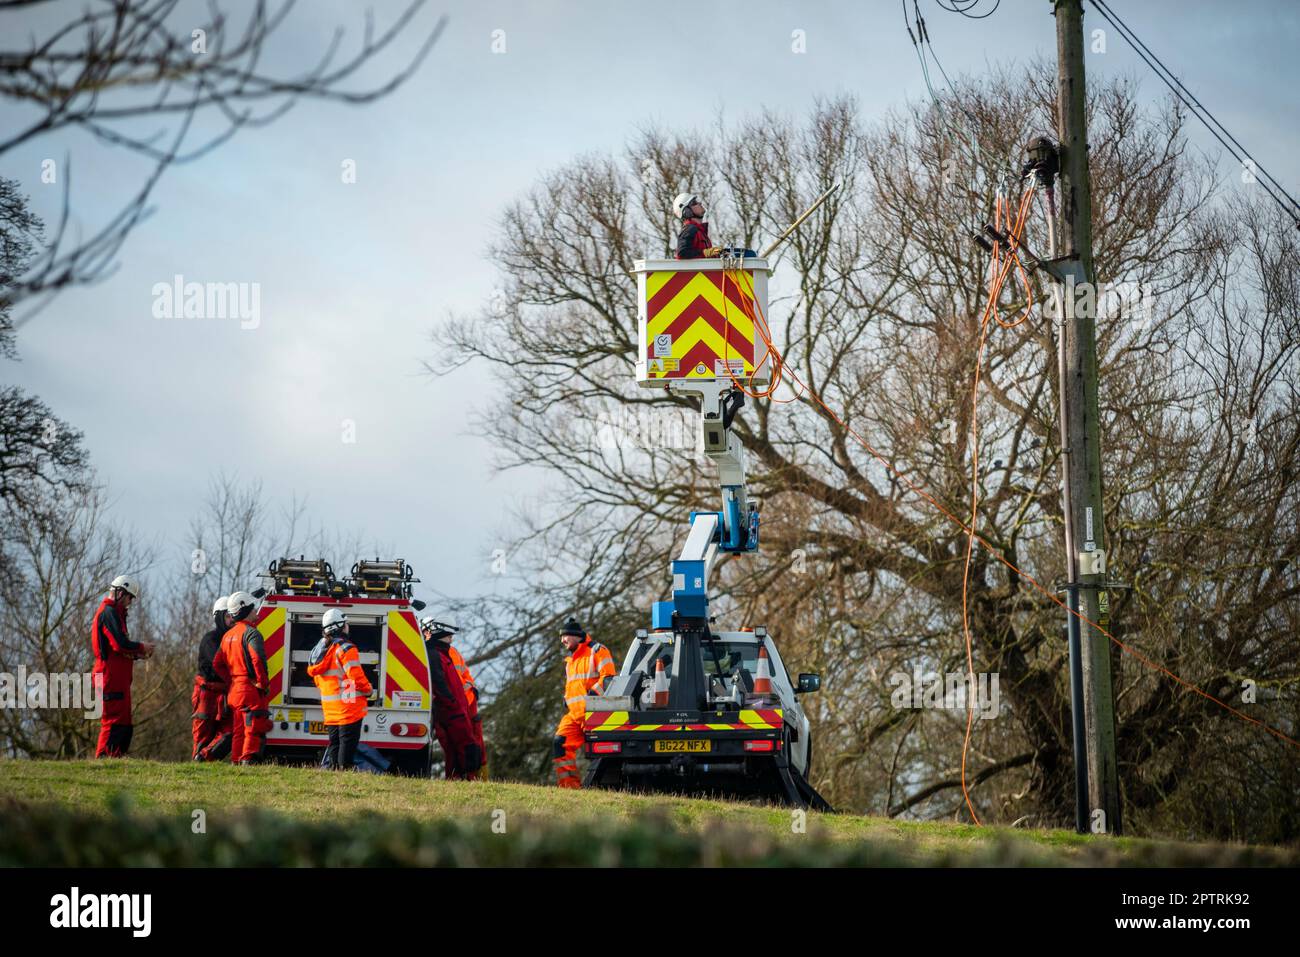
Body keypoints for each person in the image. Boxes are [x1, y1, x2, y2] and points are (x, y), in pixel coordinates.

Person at [89, 574, 155, 758]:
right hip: (109, 677)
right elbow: (119, 644)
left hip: (117, 677)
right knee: (113, 721)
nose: (129, 603)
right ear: (120, 593)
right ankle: (104, 759)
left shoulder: (115, 614)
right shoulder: (108, 613)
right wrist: (141, 646)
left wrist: (137, 655)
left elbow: (118, 649)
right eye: (129, 598)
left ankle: (114, 757)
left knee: (124, 723)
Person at [552, 617, 616, 789]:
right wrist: (566, 698)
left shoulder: (597, 650)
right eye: (561, 638)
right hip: (574, 715)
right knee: (560, 743)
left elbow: (609, 678)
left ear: (575, 635)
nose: (562, 641)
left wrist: (593, 694)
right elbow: (573, 685)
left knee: (602, 753)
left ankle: (605, 787)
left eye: (565, 636)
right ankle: (569, 788)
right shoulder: (570, 661)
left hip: (594, 714)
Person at [307, 608, 372, 771]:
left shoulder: (320, 650)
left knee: (334, 742)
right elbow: (355, 675)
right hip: (348, 707)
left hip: (330, 708)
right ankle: (345, 771)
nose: (348, 626)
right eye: (346, 623)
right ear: (341, 626)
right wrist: (368, 689)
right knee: (347, 743)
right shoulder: (346, 648)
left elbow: (318, 679)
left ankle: (334, 772)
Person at [420, 617, 482, 780]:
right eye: (448, 635)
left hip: (457, 708)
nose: (451, 638)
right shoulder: (436, 655)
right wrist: (452, 703)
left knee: (459, 748)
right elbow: (439, 682)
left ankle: (457, 778)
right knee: (466, 747)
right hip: (452, 710)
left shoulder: (443, 653)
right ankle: (465, 778)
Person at [214, 590, 271, 764]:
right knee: (252, 726)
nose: (256, 612)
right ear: (245, 610)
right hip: (249, 688)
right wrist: (261, 682)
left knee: (238, 728)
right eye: (253, 609)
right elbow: (257, 659)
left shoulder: (227, 636)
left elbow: (217, 663)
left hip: (235, 689)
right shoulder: (251, 633)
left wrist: (231, 679)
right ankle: (248, 759)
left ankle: (236, 760)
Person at [192, 596, 233, 761]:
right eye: (227, 616)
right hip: (207, 694)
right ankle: (197, 764)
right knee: (203, 735)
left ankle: (204, 758)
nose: (232, 620)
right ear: (219, 617)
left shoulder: (232, 638)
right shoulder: (211, 639)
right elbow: (218, 663)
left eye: (233, 615)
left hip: (225, 694)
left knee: (228, 735)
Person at [674, 193, 721, 260]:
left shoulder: (700, 232)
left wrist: (718, 253)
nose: (699, 203)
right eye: (694, 203)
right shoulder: (690, 229)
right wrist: (706, 252)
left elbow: (702, 257)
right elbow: (682, 253)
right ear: (687, 211)